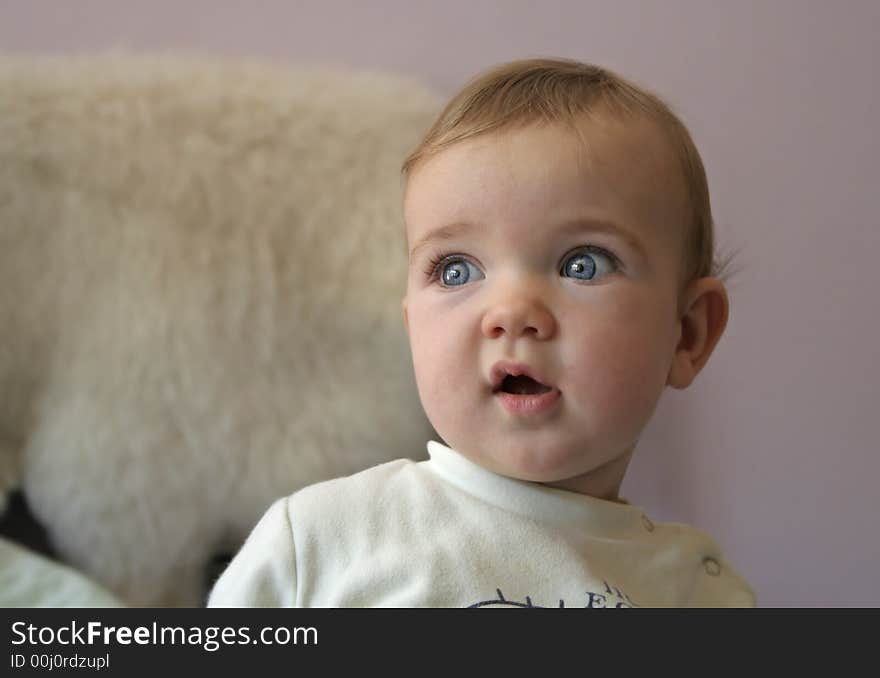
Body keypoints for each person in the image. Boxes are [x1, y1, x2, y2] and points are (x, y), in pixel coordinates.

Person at [207, 58, 755, 608]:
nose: (511, 313)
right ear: (412, 328)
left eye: (582, 264)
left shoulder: (698, 591)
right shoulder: (324, 543)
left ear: (686, 335)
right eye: (456, 271)